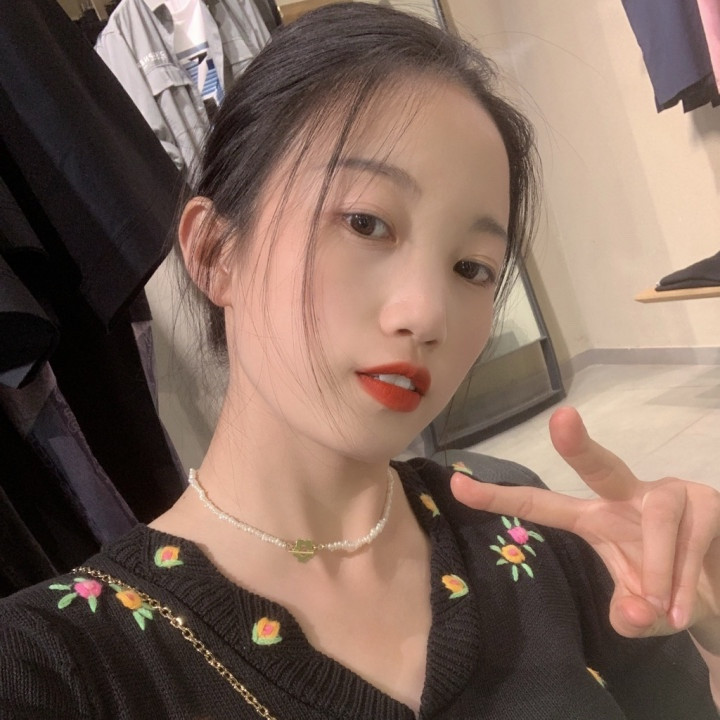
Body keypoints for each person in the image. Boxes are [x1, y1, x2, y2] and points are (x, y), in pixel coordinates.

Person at [1, 3, 718, 718]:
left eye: (472, 267)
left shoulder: (529, 533)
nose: (427, 314)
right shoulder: (57, 665)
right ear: (216, 252)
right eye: (366, 223)